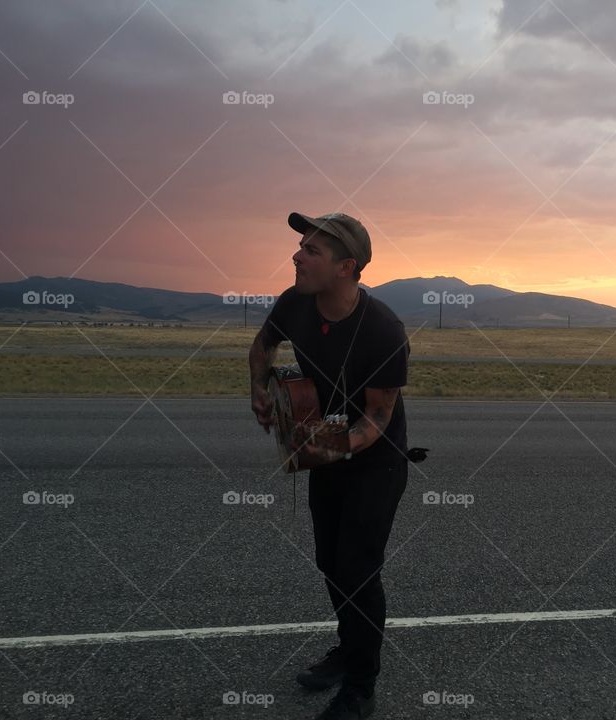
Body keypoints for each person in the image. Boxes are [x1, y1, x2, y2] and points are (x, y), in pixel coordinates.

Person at [249, 211, 410, 719]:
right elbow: (264, 344)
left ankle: (361, 686)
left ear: (346, 267)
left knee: (358, 570)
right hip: (326, 452)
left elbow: (378, 417)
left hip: (377, 462)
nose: (297, 256)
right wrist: (260, 390)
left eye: (312, 250)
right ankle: (348, 648)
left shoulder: (383, 329)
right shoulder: (294, 303)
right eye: (301, 246)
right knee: (331, 564)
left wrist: (334, 448)